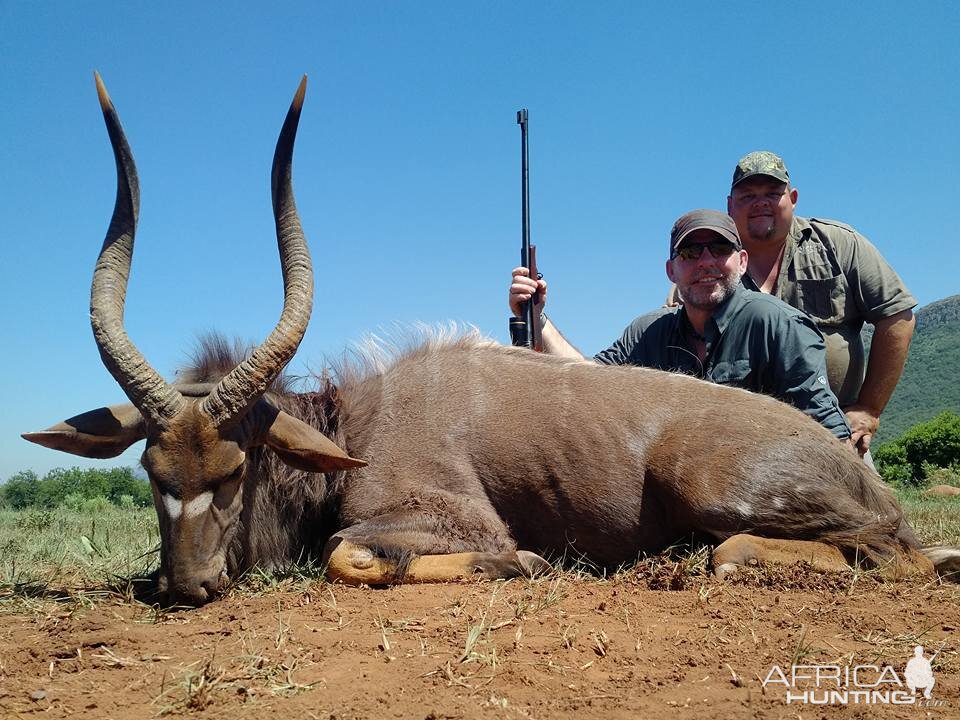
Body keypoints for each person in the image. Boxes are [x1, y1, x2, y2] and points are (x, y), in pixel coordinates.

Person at [509, 209, 851, 440]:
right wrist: (538, 317)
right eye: (689, 253)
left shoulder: (778, 323)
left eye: (719, 249)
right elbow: (588, 382)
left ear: (742, 261)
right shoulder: (648, 332)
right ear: (671, 270)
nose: (705, 262)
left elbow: (826, 429)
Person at [727, 151, 916, 456]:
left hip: (833, 432)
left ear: (794, 198)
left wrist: (869, 408)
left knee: (862, 503)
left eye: (773, 193)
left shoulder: (838, 244)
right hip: (737, 440)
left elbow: (897, 316)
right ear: (729, 205)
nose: (760, 202)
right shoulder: (707, 266)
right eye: (747, 195)